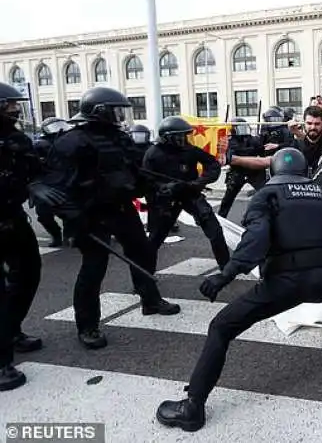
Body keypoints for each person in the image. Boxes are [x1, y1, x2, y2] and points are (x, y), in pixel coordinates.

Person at [155, 148, 322, 432]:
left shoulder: (266, 195)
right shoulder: (318, 194)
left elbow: (254, 244)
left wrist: (224, 276)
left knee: (220, 327)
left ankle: (192, 407)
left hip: (284, 283)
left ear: (274, 170)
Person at [35, 87, 180, 349]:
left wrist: (156, 187)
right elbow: (55, 187)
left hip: (121, 208)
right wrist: (73, 219)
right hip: (90, 214)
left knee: (143, 252)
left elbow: (134, 171)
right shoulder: (72, 141)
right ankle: (88, 326)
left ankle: (150, 300)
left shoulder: (118, 138)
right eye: (116, 110)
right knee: (94, 268)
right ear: (100, 112)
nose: (120, 116)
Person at [0, 83, 50, 391]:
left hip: (12, 218)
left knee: (30, 273)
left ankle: (11, 330)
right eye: (7, 105)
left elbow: (36, 171)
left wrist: (41, 185)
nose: (14, 110)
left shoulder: (17, 139)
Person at [144, 116, 230, 271]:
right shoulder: (153, 154)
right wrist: (163, 188)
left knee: (214, 229)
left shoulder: (189, 150)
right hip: (167, 200)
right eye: (181, 136)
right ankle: (145, 277)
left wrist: (200, 182)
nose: (185, 139)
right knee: (155, 238)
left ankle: (226, 267)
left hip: (191, 194)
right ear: (169, 138)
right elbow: (146, 181)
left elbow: (213, 165)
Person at [32, 117, 73, 247]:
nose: (59, 129)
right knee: (43, 214)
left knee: (70, 213)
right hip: (46, 185)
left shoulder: (72, 142)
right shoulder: (41, 144)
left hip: (66, 183)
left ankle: (69, 235)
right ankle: (56, 235)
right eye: (54, 127)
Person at [218, 118, 266, 218]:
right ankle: (221, 217)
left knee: (265, 194)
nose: (243, 130)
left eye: (244, 127)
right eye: (240, 128)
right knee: (228, 198)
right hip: (238, 171)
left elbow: (261, 151)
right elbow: (230, 155)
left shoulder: (253, 139)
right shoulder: (230, 141)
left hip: (254, 171)